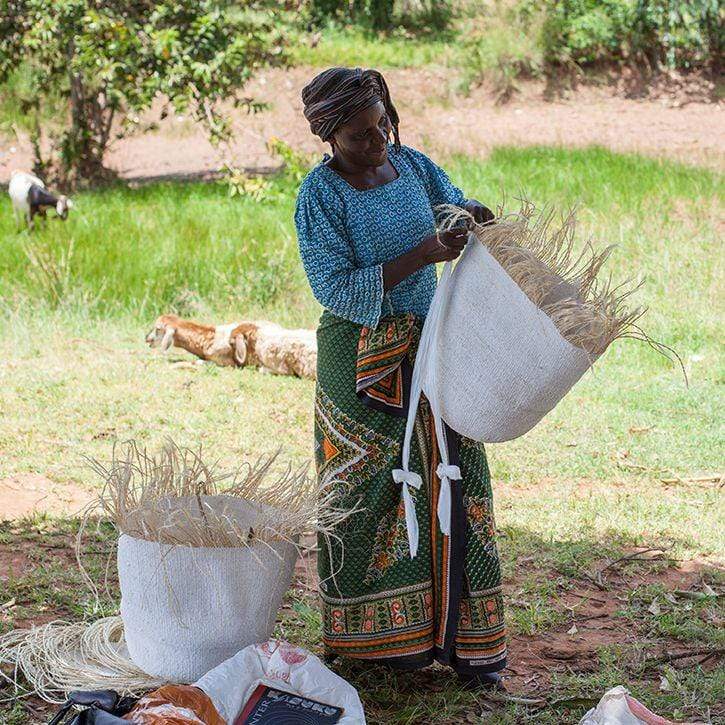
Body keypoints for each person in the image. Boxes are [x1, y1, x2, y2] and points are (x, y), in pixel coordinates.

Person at [295, 67, 506, 689]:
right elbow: (332, 287)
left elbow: (451, 200)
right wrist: (421, 255)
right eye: (361, 135)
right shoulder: (321, 197)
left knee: (456, 473)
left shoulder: (414, 165)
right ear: (329, 137)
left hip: (434, 344)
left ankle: (467, 643)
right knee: (369, 495)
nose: (379, 140)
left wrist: (469, 215)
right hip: (360, 361)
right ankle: (376, 647)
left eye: (383, 122)